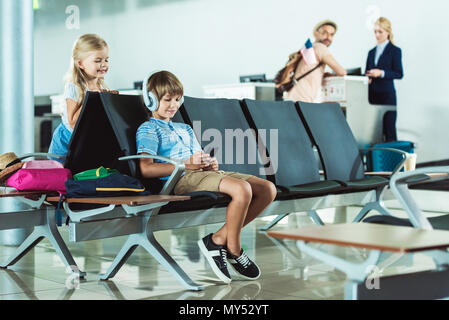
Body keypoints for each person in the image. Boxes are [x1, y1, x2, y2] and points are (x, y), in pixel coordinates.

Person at [136, 71, 277, 283]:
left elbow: (199, 157)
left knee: (267, 189)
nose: (173, 105)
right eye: (167, 100)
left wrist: (210, 163)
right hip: (181, 179)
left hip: (203, 174)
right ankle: (235, 249)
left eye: (177, 99)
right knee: (242, 190)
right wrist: (186, 165)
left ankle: (218, 239)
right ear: (151, 100)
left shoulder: (184, 128)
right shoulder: (148, 128)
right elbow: (146, 169)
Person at [48, 34, 114, 158]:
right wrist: (92, 99)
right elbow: (73, 122)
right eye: (98, 60)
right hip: (66, 142)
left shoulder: (102, 88)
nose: (104, 64)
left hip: (86, 140)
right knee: (63, 175)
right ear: (81, 64)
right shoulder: (74, 87)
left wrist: (111, 101)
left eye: (106, 60)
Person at [283, 19, 347, 102]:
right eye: (325, 33)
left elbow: (308, 70)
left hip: (293, 97)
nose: (328, 37)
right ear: (316, 34)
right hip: (302, 100)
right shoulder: (320, 47)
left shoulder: (309, 48)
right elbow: (342, 72)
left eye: (332, 34)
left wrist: (323, 74)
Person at [365, 17, 404, 141]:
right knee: (374, 131)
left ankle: (392, 160)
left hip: (387, 96)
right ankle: (375, 160)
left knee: (389, 130)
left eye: (380, 32)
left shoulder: (395, 51)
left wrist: (381, 73)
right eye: (375, 32)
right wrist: (368, 77)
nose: (377, 35)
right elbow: (367, 71)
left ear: (388, 32)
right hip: (372, 96)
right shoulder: (371, 52)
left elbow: (399, 73)